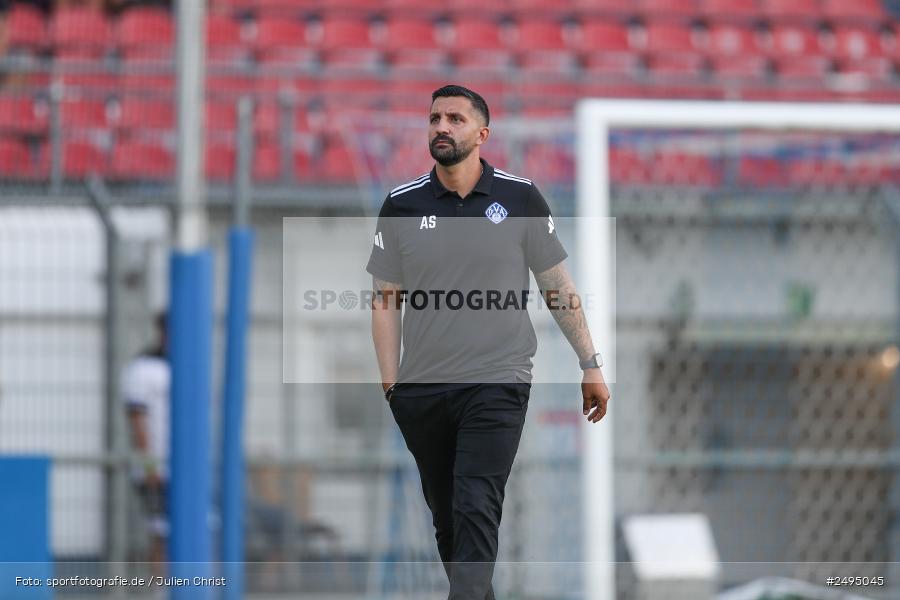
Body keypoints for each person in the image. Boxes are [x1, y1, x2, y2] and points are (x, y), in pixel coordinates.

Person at [366, 84, 611, 599]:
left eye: (454, 118)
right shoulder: (401, 205)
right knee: (450, 522)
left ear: (481, 134)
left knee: (477, 500)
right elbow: (385, 300)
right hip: (423, 390)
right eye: (434, 118)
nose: (441, 127)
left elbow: (557, 286)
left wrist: (589, 362)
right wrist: (393, 386)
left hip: (498, 381)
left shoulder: (519, 198)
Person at [121, 311, 169, 573]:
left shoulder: (193, 363)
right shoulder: (144, 368)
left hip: (191, 466)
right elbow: (137, 419)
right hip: (158, 467)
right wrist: (150, 465)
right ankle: (161, 590)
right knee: (161, 532)